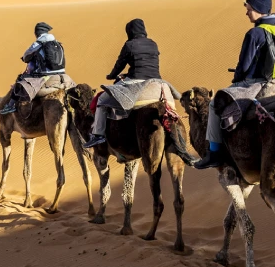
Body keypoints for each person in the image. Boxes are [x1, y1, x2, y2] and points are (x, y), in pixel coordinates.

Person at [82, 20, 198, 164]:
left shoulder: (129, 45)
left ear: (130, 32)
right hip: (157, 82)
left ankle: (98, 134)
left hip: (136, 81)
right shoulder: (153, 44)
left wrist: (112, 75)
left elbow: (120, 63)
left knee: (102, 101)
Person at [195, 0, 275, 169]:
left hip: (258, 83)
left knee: (214, 104)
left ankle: (214, 153)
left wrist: (237, 77)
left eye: (249, 9)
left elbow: (244, 67)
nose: (247, 13)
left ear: (259, 9)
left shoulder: (255, 34)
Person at [0, 22, 65, 114]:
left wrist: (25, 58)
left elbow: (26, 56)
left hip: (45, 74)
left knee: (20, 80)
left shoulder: (38, 43)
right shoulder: (57, 43)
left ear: (37, 33)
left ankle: (10, 106)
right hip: (61, 72)